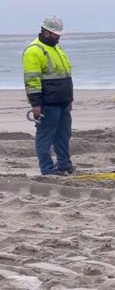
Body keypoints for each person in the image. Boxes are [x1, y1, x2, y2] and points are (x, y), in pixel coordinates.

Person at [22, 16, 74, 176]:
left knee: (63, 135)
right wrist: (36, 104)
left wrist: (69, 98)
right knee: (45, 137)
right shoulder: (34, 51)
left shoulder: (56, 48)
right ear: (45, 32)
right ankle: (47, 168)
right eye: (55, 33)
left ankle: (64, 164)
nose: (58, 37)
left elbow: (65, 75)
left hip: (62, 101)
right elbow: (32, 80)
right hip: (47, 103)